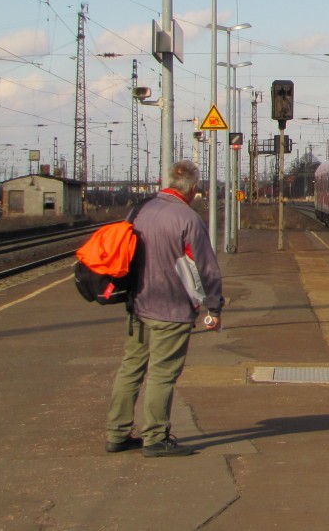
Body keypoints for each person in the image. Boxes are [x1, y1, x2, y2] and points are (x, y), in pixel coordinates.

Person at [104, 160, 225, 458]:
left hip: (138, 305)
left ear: (167, 181)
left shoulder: (140, 210)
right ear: (193, 189)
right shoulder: (187, 218)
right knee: (162, 373)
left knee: (131, 368)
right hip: (171, 310)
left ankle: (117, 433)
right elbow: (206, 268)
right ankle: (155, 437)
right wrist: (214, 307)